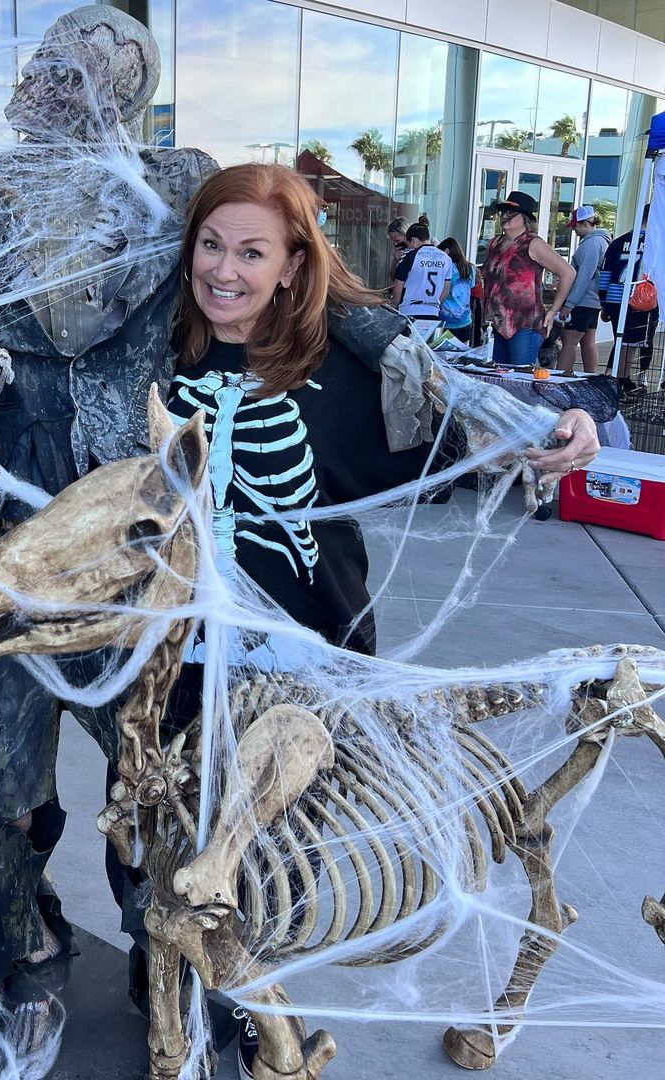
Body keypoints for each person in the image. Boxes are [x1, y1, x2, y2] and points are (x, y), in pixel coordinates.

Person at [164, 162, 599, 1079]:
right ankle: (162, 978)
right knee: (164, 829)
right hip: (178, 651)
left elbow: (463, 410)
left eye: (253, 251)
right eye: (212, 244)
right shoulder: (156, 354)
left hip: (305, 650)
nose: (226, 270)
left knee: (278, 846)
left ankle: (250, 1003)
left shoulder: (336, 366)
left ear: (291, 264)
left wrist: (565, 418)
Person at [0, 8, 217, 1073]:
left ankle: (172, 967)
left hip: (126, 538)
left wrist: (453, 388)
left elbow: (294, 265)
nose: (47, 85)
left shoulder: (175, 177)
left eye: (78, 72)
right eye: (46, 63)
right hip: (12, 530)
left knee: (151, 785)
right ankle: (33, 962)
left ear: (125, 88)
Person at [480, 190, 575, 366]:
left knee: (519, 377)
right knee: (497, 378)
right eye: (503, 212)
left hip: (525, 324)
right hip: (495, 324)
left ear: (524, 218)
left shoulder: (533, 243)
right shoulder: (494, 243)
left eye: (511, 213)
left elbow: (568, 272)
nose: (505, 217)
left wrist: (553, 310)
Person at [599, 208, 660, 399]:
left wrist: (605, 302)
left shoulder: (618, 242)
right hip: (642, 300)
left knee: (622, 340)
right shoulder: (656, 244)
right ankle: (620, 381)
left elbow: (605, 275)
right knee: (631, 344)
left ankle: (621, 379)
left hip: (617, 297)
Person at [557, 205, 611, 374]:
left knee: (569, 342)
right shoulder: (602, 241)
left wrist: (569, 303)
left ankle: (559, 381)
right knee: (588, 341)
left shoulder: (591, 245)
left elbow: (583, 276)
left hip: (583, 301)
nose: (573, 229)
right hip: (593, 301)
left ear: (586, 223)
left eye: (575, 225)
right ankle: (591, 378)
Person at [391, 215, 451, 335]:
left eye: (408, 244)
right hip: (433, 313)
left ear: (413, 240)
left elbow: (398, 287)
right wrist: (433, 303)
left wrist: (394, 305)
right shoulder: (445, 258)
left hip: (410, 312)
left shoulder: (410, 257)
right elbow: (446, 290)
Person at [438, 236, 477, 342]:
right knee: (462, 354)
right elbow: (471, 287)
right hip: (465, 319)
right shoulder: (470, 268)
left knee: (444, 355)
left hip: (446, 321)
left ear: (446, 251)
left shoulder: (446, 268)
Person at [387, 214, 410, 283]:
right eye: (392, 241)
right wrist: (395, 261)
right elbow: (392, 277)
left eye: (397, 240)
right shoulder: (397, 249)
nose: (395, 244)